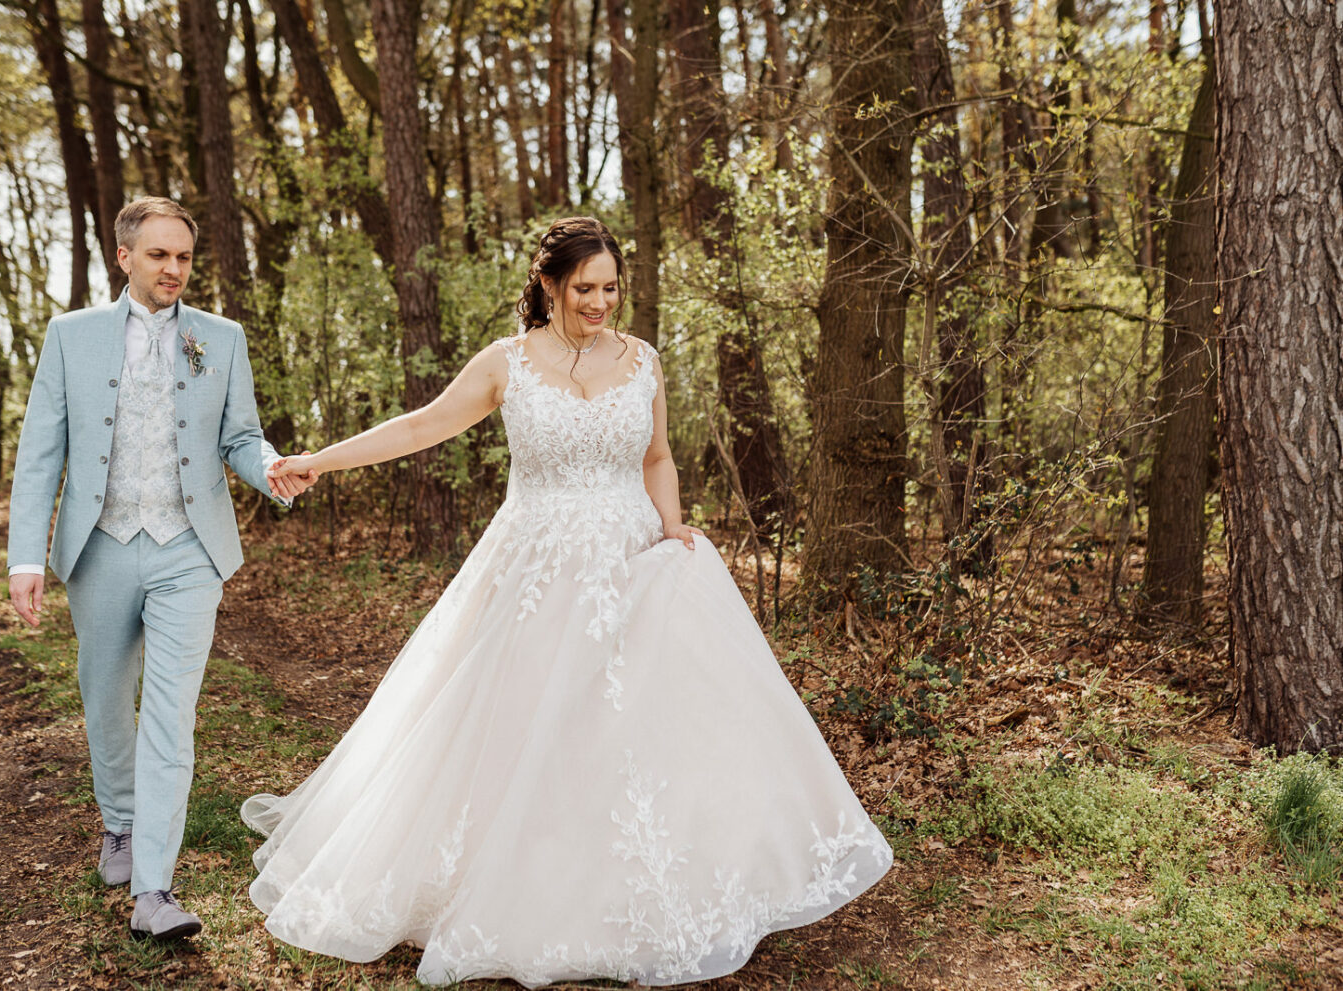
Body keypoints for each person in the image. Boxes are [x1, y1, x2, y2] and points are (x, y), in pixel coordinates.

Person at [241, 216, 892, 986]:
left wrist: (673, 528)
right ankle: (519, 885)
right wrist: (323, 459)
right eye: (585, 288)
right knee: (523, 727)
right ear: (549, 284)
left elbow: (657, 455)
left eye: (611, 287)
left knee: (640, 728)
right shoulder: (505, 363)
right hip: (535, 570)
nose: (600, 303)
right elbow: (424, 426)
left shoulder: (641, 358)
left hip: (632, 562)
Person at [6, 197, 318, 942]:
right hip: (101, 546)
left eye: (183, 257)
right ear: (125, 257)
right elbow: (40, 449)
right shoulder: (70, 336)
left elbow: (240, 434)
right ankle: (118, 824)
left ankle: (154, 888)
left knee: (171, 719)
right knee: (107, 698)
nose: (174, 269)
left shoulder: (223, 338)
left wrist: (270, 467)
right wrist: (26, 554)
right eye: (159, 256)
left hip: (189, 549)